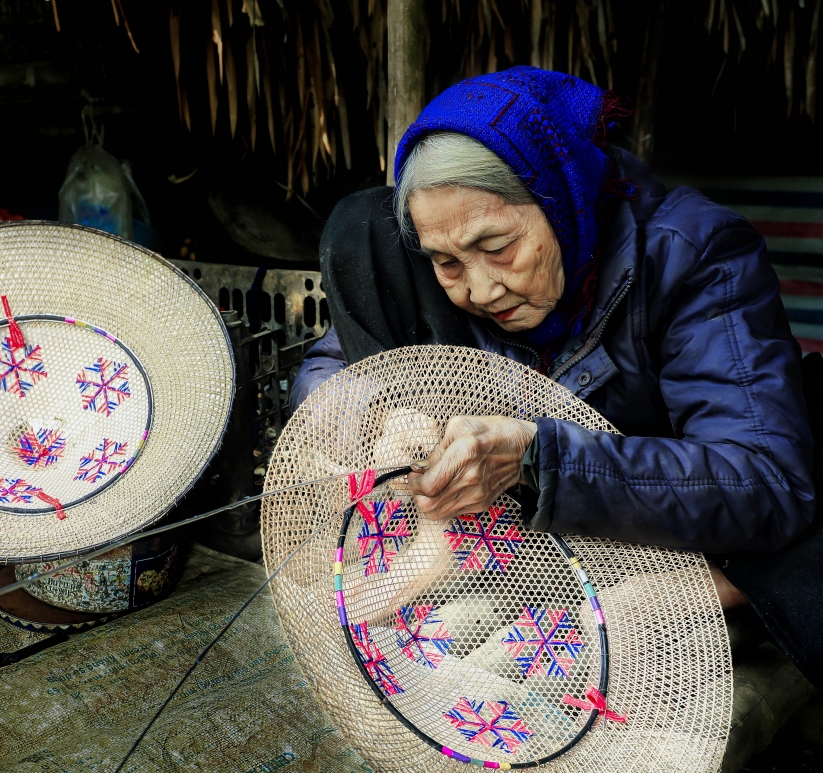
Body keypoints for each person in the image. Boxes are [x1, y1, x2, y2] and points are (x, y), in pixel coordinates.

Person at [290, 66, 823, 685]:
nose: (482, 289)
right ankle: (446, 545)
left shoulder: (692, 252)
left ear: (560, 197)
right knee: (362, 227)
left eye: (499, 247)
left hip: (669, 513)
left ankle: (711, 589)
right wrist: (373, 411)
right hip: (532, 516)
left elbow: (765, 480)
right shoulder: (436, 260)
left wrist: (541, 459)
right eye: (447, 263)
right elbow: (330, 364)